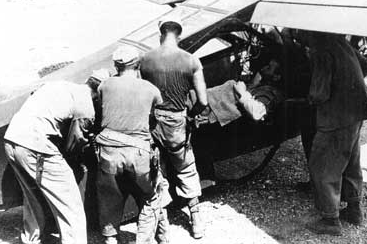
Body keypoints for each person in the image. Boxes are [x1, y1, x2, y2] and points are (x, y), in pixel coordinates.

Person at [3, 70, 109, 244]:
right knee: (70, 203)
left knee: (32, 196)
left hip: (12, 138)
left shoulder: (60, 85)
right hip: (36, 144)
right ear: (99, 93)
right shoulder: (86, 106)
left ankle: (30, 239)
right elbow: (74, 144)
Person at [296, 31, 367, 236]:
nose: (298, 39)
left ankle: (330, 220)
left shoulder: (321, 51)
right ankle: (354, 210)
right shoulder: (340, 42)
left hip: (336, 116)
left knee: (323, 165)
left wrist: (306, 99)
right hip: (356, 112)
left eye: (298, 36)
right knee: (350, 162)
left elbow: (319, 94)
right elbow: (366, 66)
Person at [140, 18, 208, 239]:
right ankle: (196, 220)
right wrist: (191, 114)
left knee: (157, 171)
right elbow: (203, 101)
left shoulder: (146, 60)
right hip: (177, 123)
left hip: (154, 123)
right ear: (179, 36)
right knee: (186, 168)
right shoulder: (191, 61)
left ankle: (163, 229)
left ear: (161, 35)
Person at [95, 45, 169, 244]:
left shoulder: (105, 86)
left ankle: (111, 240)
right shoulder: (151, 89)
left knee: (110, 199)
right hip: (138, 153)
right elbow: (155, 119)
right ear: (137, 64)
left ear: (116, 65)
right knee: (152, 197)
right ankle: (146, 240)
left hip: (108, 152)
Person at [188, 58, 284, 127]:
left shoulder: (271, 93)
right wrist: (253, 84)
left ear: (276, 77)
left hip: (208, 106)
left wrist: (242, 92)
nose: (264, 68)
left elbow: (257, 113)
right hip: (207, 101)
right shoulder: (262, 84)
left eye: (269, 68)